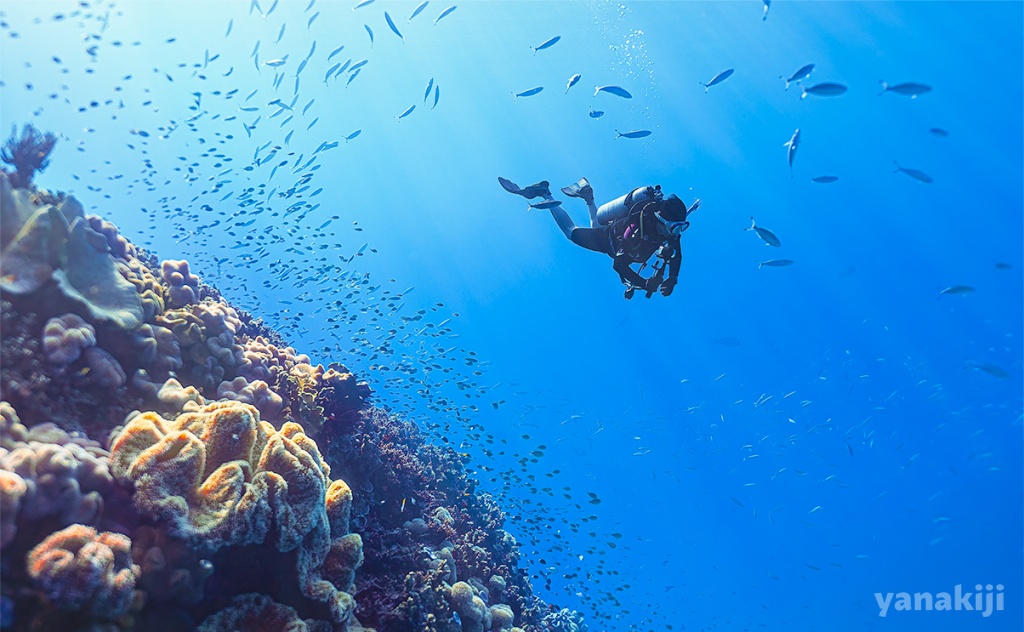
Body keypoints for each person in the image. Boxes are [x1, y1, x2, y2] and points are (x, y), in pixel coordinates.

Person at [499, 176, 698, 299]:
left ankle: (588, 197)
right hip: (607, 239)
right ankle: (546, 195)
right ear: (660, 219)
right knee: (570, 232)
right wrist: (645, 283)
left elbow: (677, 256)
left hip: (611, 232)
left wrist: (673, 278)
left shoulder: (669, 229)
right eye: (674, 228)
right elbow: (619, 265)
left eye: (680, 229)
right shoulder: (638, 228)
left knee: (597, 222)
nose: (675, 234)